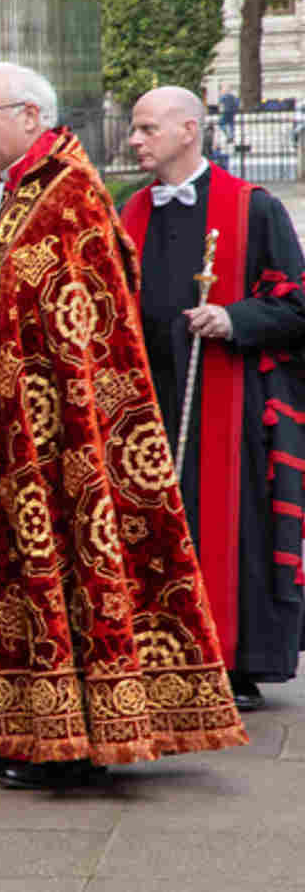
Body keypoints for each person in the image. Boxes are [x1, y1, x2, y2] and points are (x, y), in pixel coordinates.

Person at [0, 62, 247, 790]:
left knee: (60, 575)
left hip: (60, 440)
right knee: (8, 584)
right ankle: (3, 726)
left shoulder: (68, 194)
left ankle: (72, 740)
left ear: (30, 115)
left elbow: (57, 311)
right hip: (0, 428)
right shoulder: (10, 190)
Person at [122, 85, 305, 712]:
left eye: (148, 129)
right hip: (148, 401)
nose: (135, 140)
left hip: (229, 402)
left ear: (189, 130)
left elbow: (296, 304)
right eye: (135, 128)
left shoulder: (253, 208)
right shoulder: (129, 214)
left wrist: (233, 319)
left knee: (230, 531)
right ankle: (153, 656)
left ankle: (234, 663)